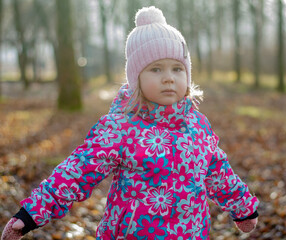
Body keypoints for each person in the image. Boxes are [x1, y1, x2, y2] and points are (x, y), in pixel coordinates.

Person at [1, 6, 259, 240]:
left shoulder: (197, 125)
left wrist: (243, 208)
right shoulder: (121, 128)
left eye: (177, 69)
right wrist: (31, 214)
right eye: (156, 69)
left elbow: (218, 171)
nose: (168, 78)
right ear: (136, 78)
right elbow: (77, 171)